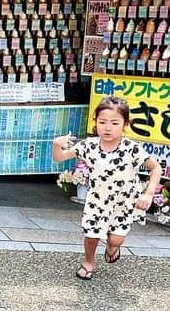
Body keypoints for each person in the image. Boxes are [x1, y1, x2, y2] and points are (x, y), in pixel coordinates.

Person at [52, 96, 162, 281]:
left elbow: (155, 168)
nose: (107, 127)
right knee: (91, 234)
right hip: (97, 199)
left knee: (115, 238)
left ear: (124, 124)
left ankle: (112, 247)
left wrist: (149, 193)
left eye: (114, 122)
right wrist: (56, 144)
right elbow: (59, 157)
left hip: (125, 201)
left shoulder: (131, 148)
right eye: (102, 122)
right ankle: (88, 262)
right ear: (95, 122)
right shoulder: (89, 145)